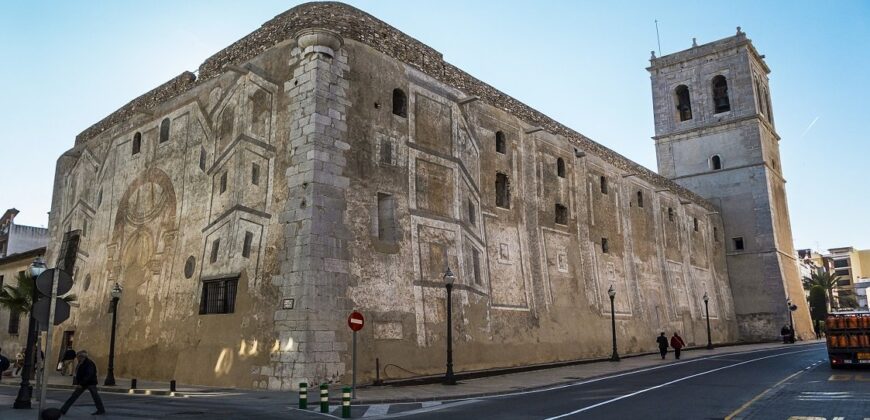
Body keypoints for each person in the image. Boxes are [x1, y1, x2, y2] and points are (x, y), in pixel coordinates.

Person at [60, 351, 105, 416]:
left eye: (78, 357)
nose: (77, 358)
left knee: (95, 397)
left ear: (81, 357)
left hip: (90, 383)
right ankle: (63, 410)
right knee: (74, 396)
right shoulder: (81, 363)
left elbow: (89, 375)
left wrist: (81, 384)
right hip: (83, 383)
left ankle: (101, 410)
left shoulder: (89, 363)